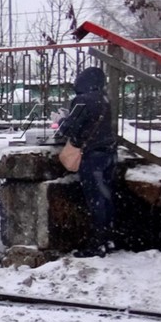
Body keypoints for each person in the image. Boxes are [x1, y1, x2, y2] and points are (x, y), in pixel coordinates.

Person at [57, 65, 117, 256]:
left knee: (95, 200)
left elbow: (69, 129)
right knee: (105, 197)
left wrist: (60, 120)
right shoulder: (105, 100)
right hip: (109, 154)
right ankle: (108, 239)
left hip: (92, 156)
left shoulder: (83, 100)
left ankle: (97, 244)